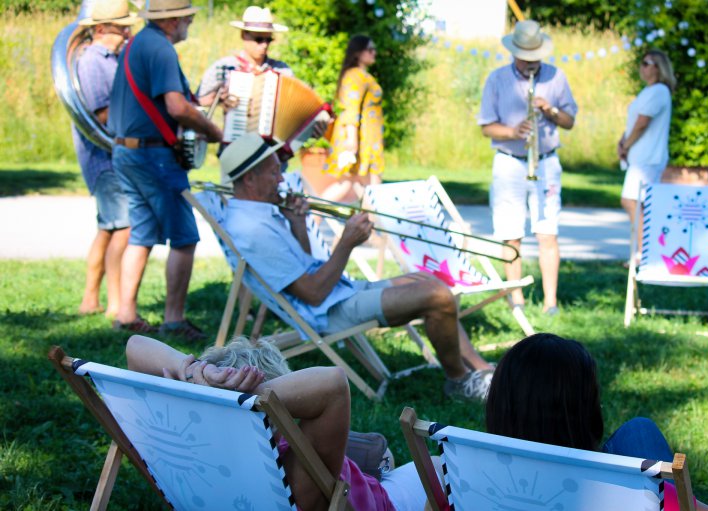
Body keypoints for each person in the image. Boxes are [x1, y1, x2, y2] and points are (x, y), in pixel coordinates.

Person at [219, 133, 495, 401]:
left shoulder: (258, 214)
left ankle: (479, 369)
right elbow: (312, 294)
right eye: (273, 173)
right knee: (437, 296)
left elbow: (303, 264)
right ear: (249, 179)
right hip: (327, 311)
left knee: (425, 280)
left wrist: (297, 223)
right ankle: (459, 381)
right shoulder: (252, 228)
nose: (281, 179)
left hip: (337, 294)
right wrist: (346, 243)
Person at [125, 334, 429, 511]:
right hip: (376, 502)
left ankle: (369, 455)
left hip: (230, 465)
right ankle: (370, 456)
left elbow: (134, 345)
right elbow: (333, 383)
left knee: (378, 457)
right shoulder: (296, 483)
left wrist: (193, 375)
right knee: (436, 466)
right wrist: (248, 401)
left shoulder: (192, 456)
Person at [485, 333, 708, 511]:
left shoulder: (466, 472)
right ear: (582, 414)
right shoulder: (620, 489)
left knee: (638, 430)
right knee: (639, 432)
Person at [108, 0, 223, 340]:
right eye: (187, 15)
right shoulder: (161, 49)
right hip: (154, 157)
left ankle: (126, 313)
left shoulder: (137, 43)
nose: (190, 20)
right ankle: (174, 320)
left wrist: (203, 102)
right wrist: (214, 132)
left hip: (127, 152)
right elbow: (174, 106)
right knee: (185, 237)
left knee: (141, 233)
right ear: (173, 20)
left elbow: (163, 100)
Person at [478, 20, 577, 315]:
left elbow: (570, 121)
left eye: (535, 56)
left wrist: (551, 110)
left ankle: (550, 303)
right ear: (514, 53)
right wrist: (513, 131)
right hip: (509, 161)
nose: (531, 63)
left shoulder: (556, 77)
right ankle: (516, 300)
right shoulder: (497, 79)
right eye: (525, 56)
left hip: (546, 161)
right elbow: (486, 127)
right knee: (511, 234)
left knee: (548, 233)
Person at [71, 0, 137, 317]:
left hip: (108, 157)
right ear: (99, 29)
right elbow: (103, 113)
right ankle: (116, 305)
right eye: (121, 27)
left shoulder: (109, 58)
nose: (127, 32)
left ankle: (90, 301)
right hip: (104, 158)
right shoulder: (94, 61)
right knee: (124, 228)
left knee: (108, 229)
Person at [618, 50, 676, 264]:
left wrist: (627, 144)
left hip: (648, 159)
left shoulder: (659, 91)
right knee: (636, 202)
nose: (642, 67)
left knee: (632, 201)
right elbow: (634, 121)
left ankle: (644, 252)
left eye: (646, 63)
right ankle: (643, 251)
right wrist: (621, 141)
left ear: (658, 67)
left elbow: (643, 123)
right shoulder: (648, 91)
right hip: (640, 157)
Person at [323, 35, 384, 203]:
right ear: (358, 52)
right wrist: (351, 139)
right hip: (359, 141)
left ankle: (371, 229)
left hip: (367, 142)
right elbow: (350, 108)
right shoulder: (354, 76)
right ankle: (309, 220)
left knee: (363, 190)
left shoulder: (360, 75)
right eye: (370, 49)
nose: (374, 53)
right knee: (365, 190)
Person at [197, 6, 292, 110]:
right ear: (243, 35)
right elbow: (197, 101)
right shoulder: (225, 67)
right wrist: (219, 99)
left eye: (268, 40)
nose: (264, 45)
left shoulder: (281, 70)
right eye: (259, 39)